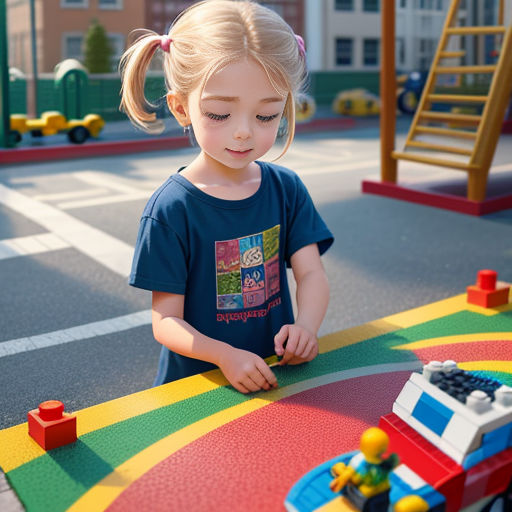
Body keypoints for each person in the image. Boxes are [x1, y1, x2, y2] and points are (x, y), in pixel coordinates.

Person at [120, 0, 334, 394]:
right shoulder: (171, 209)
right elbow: (166, 321)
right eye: (219, 114)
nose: (243, 133)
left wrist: (306, 328)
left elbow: (311, 273)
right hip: (196, 389)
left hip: (277, 373)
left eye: (267, 115)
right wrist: (224, 355)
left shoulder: (286, 189)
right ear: (181, 108)